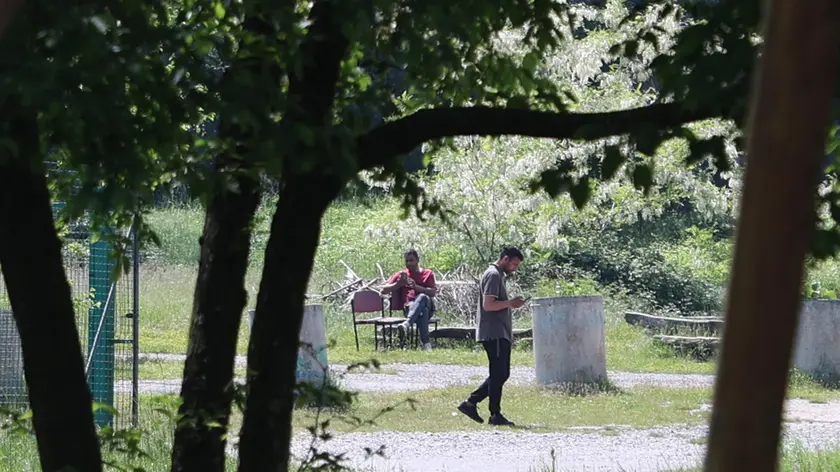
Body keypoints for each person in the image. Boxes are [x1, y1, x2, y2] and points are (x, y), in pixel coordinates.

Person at [457, 246, 526, 426]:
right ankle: (493, 414)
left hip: (500, 332)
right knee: (498, 373)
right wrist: (511, 303)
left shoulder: (499, 275)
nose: (514, 268)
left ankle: (471, 403)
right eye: (514, 264)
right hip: (493, 332)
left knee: (502, 373)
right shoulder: (493, 275)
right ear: (504, 259)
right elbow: (489, 305)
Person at [381, 249, 438, 351]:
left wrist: (416, 287)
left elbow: (432, 292)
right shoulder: (402, 275)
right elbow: (384, 290)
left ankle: (406, 324)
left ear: (417, 260)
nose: (408, 263)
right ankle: (426, 344)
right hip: (409, 308)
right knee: (422, 311)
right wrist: (398, 284)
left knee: (422, 297)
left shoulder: (428, 273)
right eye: (406, 261)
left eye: (411, 260)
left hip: (429, 306)